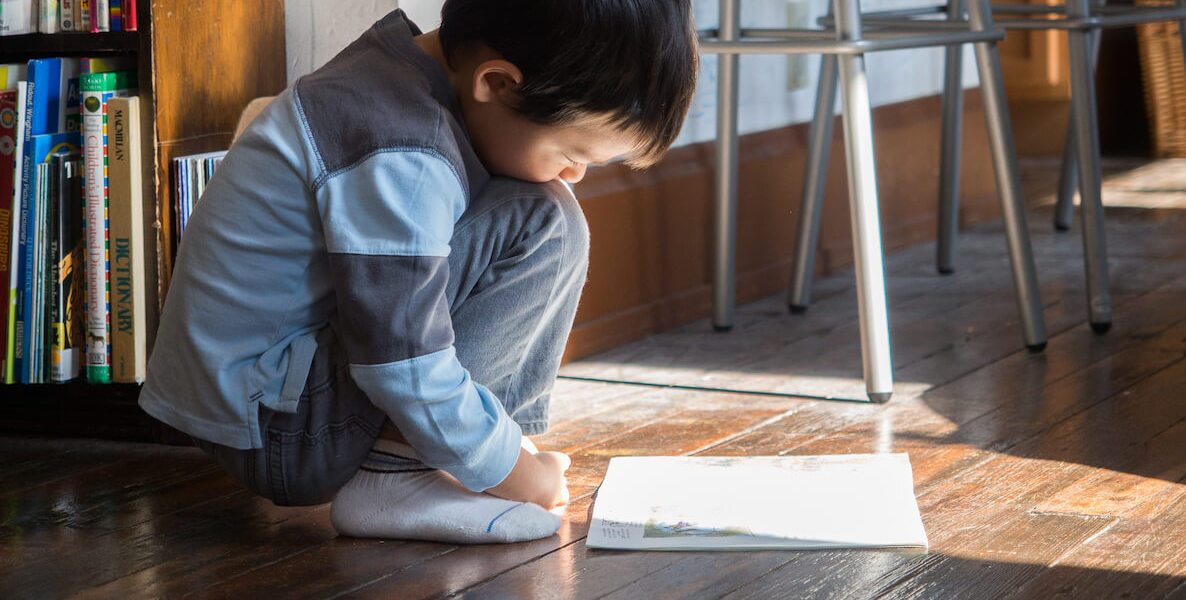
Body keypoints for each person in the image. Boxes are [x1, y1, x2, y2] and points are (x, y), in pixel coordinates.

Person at [138, 0, 698, 544]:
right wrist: (515, 474)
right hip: (281, 429)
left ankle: (457, 455)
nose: (574, 173)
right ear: (498, 83)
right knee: (546, 219)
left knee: (538, 204)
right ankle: (397, 477)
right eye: (573, 151)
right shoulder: (403, 148)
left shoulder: (396, 71)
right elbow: (401, 359)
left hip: (270, 398)